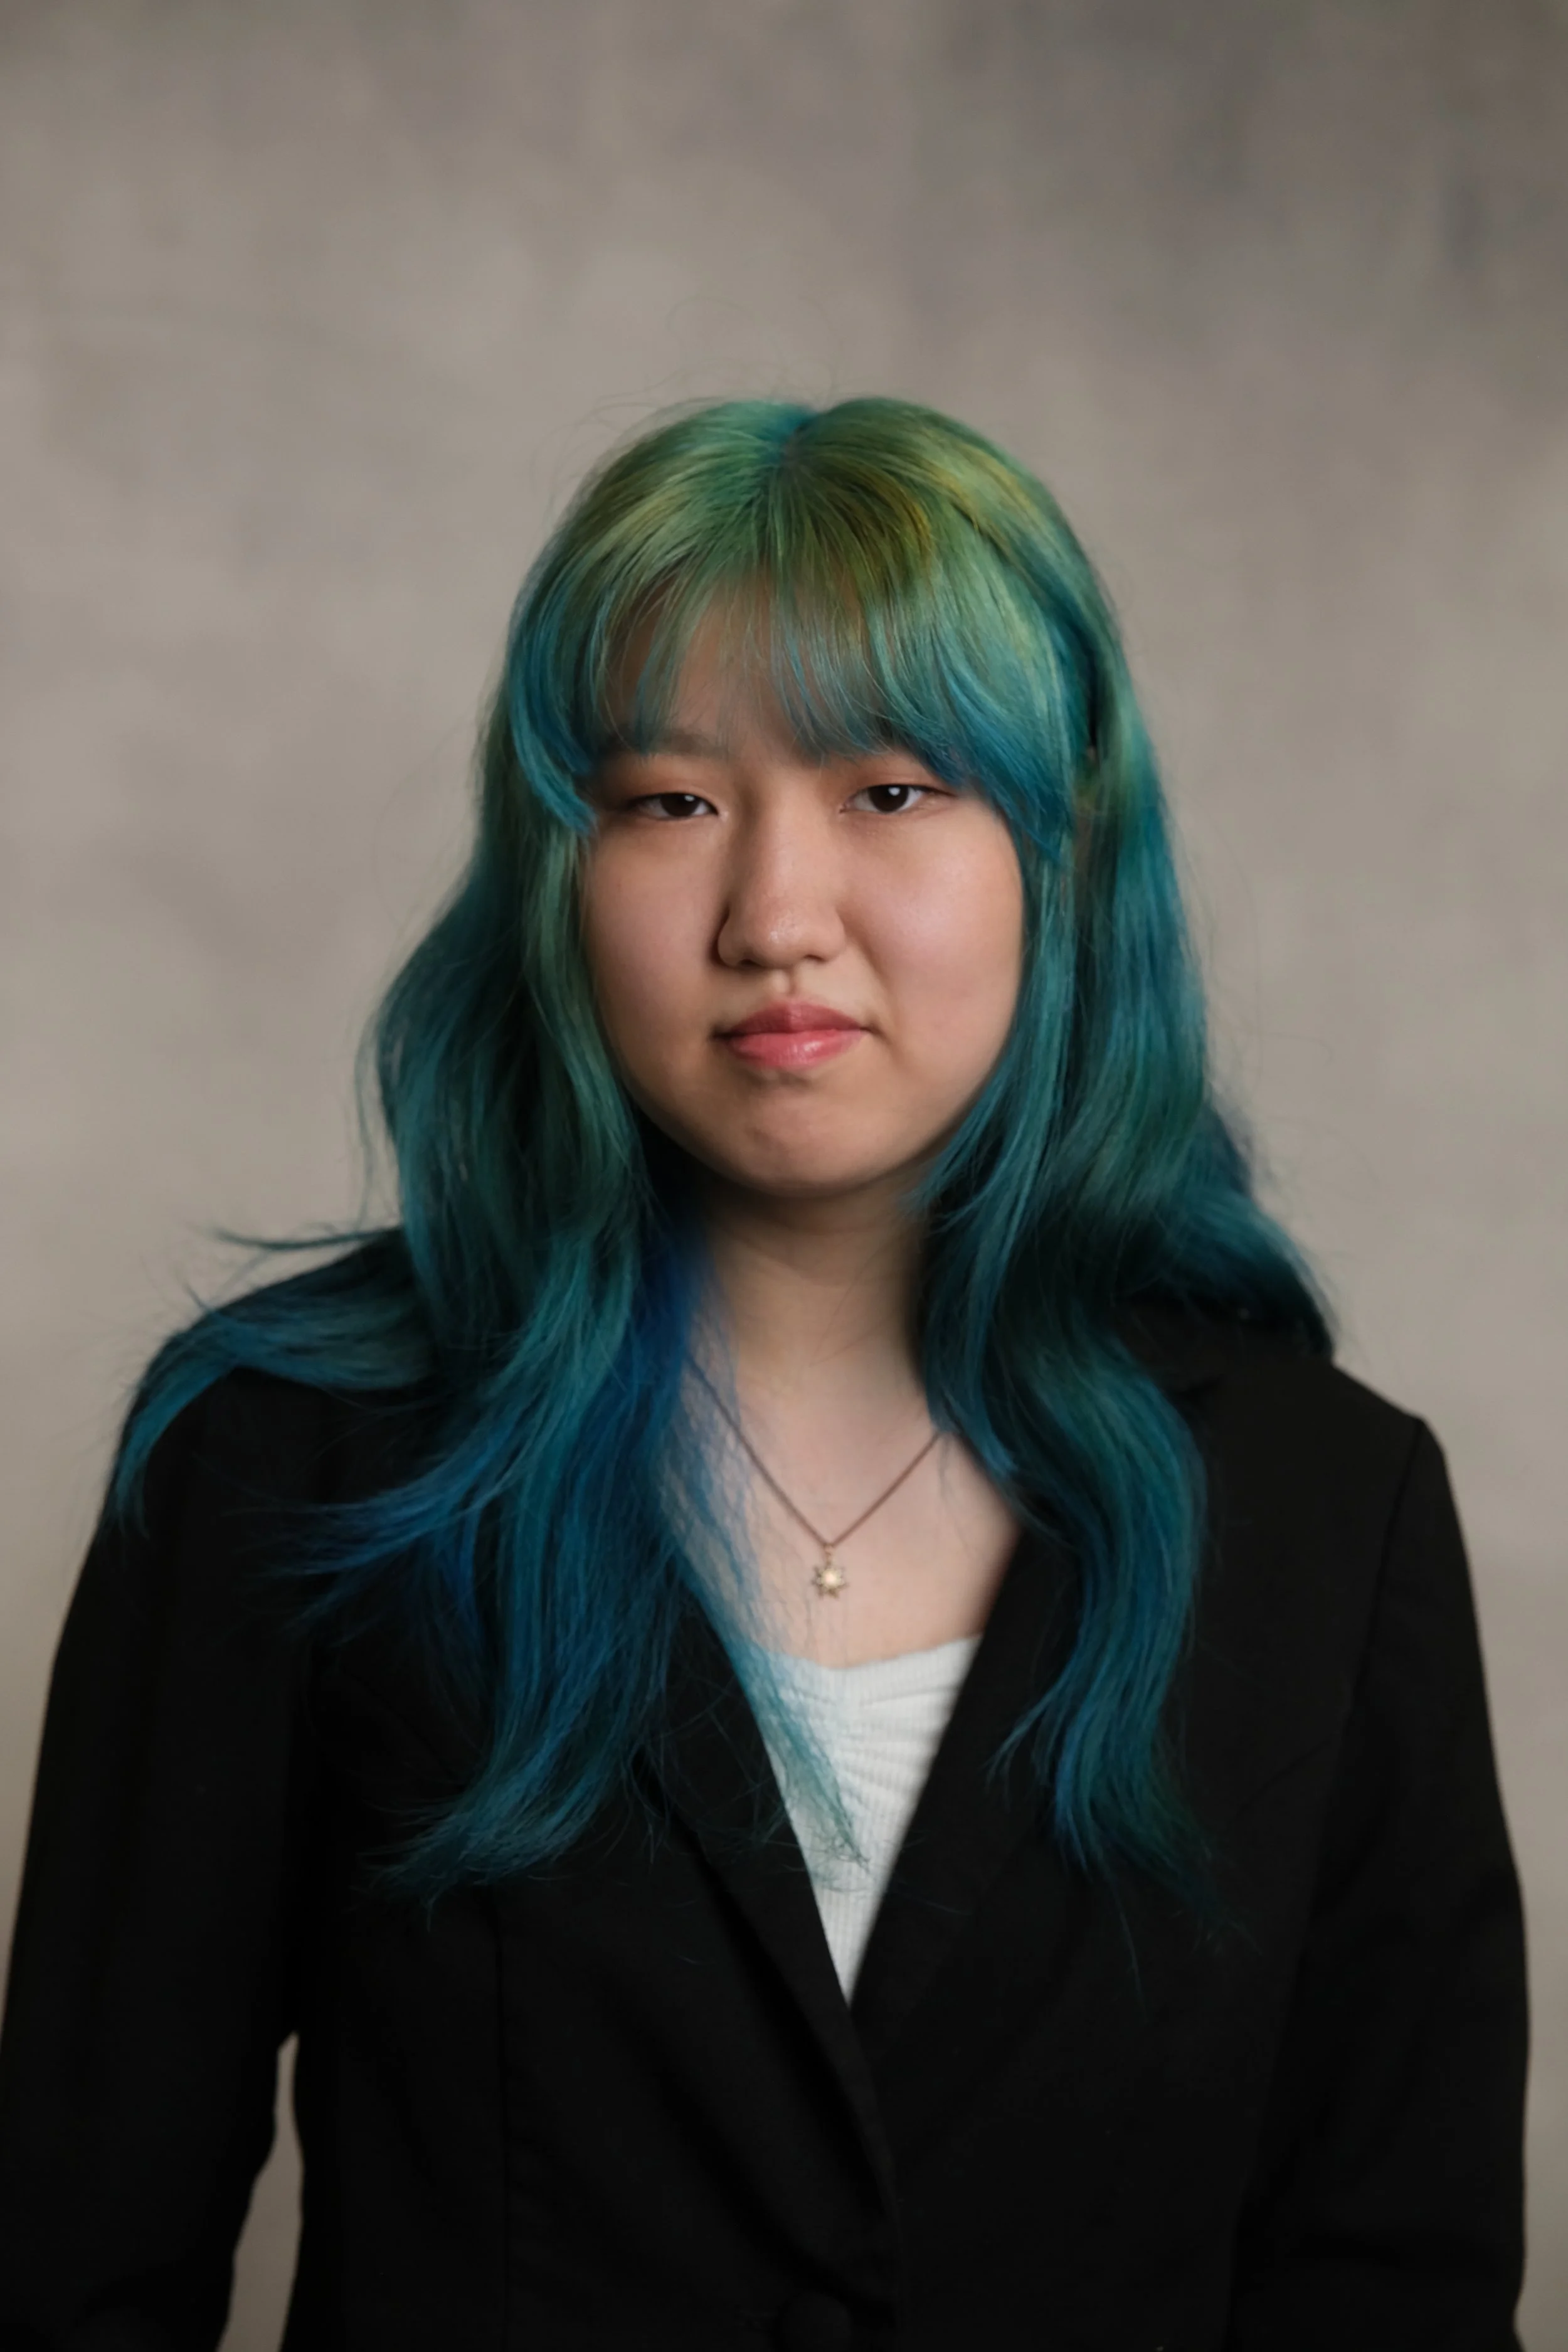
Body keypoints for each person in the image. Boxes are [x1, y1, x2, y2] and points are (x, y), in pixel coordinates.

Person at [0, 398, 1527, 2351]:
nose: (774, 918)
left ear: (1059, 853)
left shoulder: (1327, 1510)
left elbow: (1391, 2283)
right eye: (667, 800)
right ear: (553, 868)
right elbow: (76, 2263)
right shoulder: (282, 1456)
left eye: (889, 788)